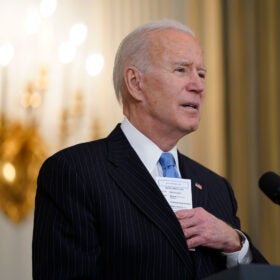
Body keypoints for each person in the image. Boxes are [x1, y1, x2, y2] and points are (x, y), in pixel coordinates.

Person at [32, 19, 267, 279]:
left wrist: (236, 243)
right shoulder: (76, 172)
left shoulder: (215, 188)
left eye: (201, 74)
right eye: (181, 70)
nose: (198, 86)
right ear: (135, 82)